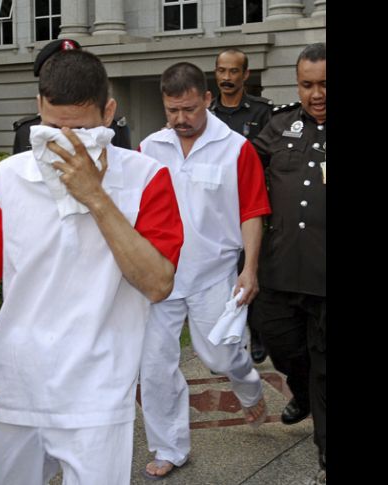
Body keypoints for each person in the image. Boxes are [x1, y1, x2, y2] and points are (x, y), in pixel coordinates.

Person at [0, 49, 183, 484]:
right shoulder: (7, 178)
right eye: (54, 128)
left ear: (109, 113)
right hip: (18, 385)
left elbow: (157, 284)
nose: (67, 142)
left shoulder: (147, 178)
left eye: (83, 129)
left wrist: (96, 197)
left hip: (98, 391)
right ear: (38, 107)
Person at [138, 62, 271, 479]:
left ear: (207, 99)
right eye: (173, 110)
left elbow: (252, 212)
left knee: (219, 355)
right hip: (160, 278)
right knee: (155, 366)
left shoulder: (235, 147)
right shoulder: (148, 149)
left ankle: (248, 385)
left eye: (190, 110)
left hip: (214, 273)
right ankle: (169, 447)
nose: (181, 119)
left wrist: (249, 269)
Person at [250, 42, 326, 485]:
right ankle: (304, 391)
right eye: (307, 84)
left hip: (324, 279)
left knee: (325, 369)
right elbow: (242, 168)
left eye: (324, 84)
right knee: (280, 343)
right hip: (280, 273)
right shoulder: (279, 126)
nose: (316, 94)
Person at [211, 47, 274, 365]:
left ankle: (258, 333)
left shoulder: (262, 112)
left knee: (251, 266)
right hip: (218, 206)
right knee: (223, 272)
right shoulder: (208, 113)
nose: (226, 77)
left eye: (234, 71)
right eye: (222, 71)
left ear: (246, 75)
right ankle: (227, 332)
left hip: (251, 203)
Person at [12, 38, 132, 154]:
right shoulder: (27, 129)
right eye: (54, 127)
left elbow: (120, 161)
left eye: (80, 129)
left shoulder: (112, 127)